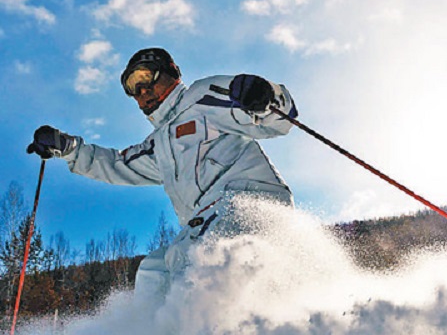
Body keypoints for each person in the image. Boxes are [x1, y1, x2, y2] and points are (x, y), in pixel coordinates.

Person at [28, 47, 297, 300]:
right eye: (131, 87)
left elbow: (278, 118)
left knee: (194, 266)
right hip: (205, 222)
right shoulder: (159, 146)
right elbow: (117, 164)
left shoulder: (201, 99)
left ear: (171, 72)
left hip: (249, 205)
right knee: (154, 273)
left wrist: (263, 95)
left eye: (145, 77)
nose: (141, 91)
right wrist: (69, 148)